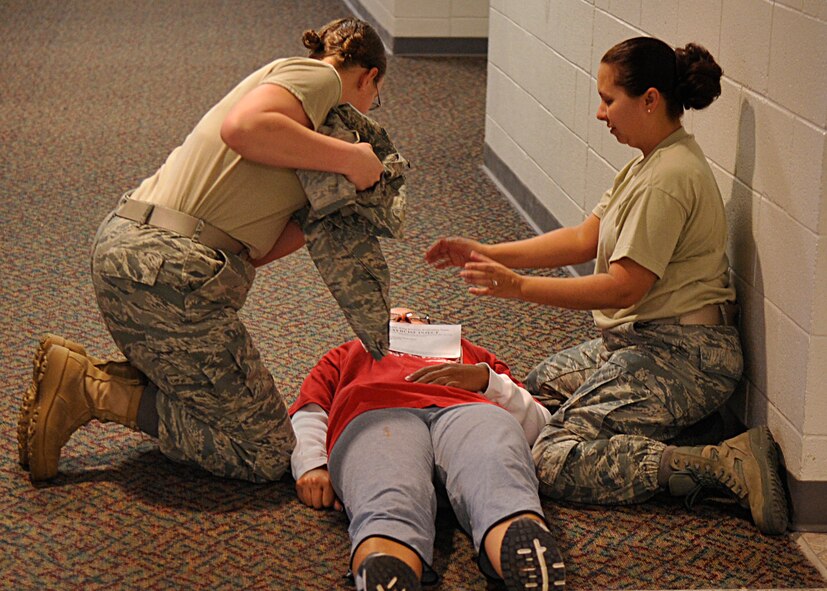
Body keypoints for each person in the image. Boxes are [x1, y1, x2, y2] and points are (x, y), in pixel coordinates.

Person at [424, 37, 789, 535]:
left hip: (688, 356)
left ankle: (720, 463)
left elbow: (622, 289)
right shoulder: (647, 163)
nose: (600, 113)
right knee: (536, 392)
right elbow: (582, 239)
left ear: (650, 99)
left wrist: (519, 287)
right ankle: (690, 428)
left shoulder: (667, 177)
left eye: (609, 99)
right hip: (644, 341)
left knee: (551, 458)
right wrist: (488, 252)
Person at [18, 17, 389, 483]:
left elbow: (256, 253)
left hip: (146, 263)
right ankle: (92, 390)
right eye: (376, 98)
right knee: (266, 450)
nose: (370, 110)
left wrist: (334, 202)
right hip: (165, 271)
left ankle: (90, 379)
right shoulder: (322, 77)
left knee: (226, 409)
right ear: (369, 77)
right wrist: (353, 158)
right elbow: (243, 128)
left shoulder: (303, 133)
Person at [290, 307, 566, 591]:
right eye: (393, 317)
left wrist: (487, 380)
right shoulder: (348, 352)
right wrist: (312, 464)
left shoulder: (471, 352)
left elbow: (539, 423)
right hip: (378, 412)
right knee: (387, 490)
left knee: (497, 468)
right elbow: (310, 408)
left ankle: (520, 542)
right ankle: (387, 561)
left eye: (414, 316)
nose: (404, 320)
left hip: (468, 410)